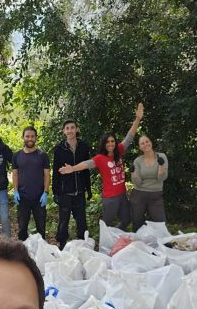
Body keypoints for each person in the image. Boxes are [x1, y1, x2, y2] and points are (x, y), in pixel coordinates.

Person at [59, 103, 144, 230]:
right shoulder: (100, 158)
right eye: (107, 142)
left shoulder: (119, 150)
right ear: (103, 145)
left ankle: (115, 238)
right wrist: (72, 168)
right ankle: (104, 245)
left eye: (112, 141)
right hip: (110, 198)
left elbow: (129, 137)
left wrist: (138, 119)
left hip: (122, 195)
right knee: (106, 224)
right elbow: (86, 164)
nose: (110, 144)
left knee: (126, 219)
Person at [52, 119, 92, 250]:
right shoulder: (59, 149)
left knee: (81, 220)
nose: (70, 130)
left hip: (79, 191)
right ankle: (62, 245)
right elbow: (56, 171)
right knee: (63, 221)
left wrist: (88, 189)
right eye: (67, 128)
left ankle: (83, 244)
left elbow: (86, 170)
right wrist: (55, 191)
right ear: (64, 131)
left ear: (77, 129)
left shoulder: (84, 147)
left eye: (72, 127)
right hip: (65, 192)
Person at [12, 126, 50, 241]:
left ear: (36, 138)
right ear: (23, 137)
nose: (30, 138)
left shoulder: (42, 155)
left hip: (39, 197)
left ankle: (41, 252)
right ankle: (22, 253)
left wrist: (46, 192)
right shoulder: (17, 155)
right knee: (22, 228)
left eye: (32, 136)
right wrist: (15, 191)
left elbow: (47, 175)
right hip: (23, 197)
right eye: (27, 136)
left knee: (41, 228)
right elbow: (15, 174)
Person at [130, 134, 168, 231]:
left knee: (160, 224)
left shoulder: (162, 156)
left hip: (156, 195)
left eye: (147, 141)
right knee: (137, 224)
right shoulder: (137, 161)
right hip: (139, 194)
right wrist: (133, 174)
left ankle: (165, 243)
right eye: (142, 143)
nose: (145, 144)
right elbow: (137, 183)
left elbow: (161, 178)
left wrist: (161, 166)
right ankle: (138, 245)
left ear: (151, 142)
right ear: (140, 147)